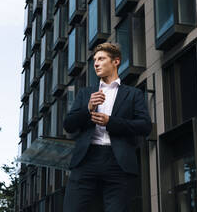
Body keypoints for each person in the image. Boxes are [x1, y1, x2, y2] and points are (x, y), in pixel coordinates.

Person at [63, 42, 152, 212]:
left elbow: (145, 126)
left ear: (116, 62)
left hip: (118, 161)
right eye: (95, 60)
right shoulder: (85, 93)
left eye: (101, 59)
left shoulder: (133, 94)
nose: (96, 63)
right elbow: (69, 125)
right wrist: (87, 109)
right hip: (86, 159)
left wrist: (110, 122)